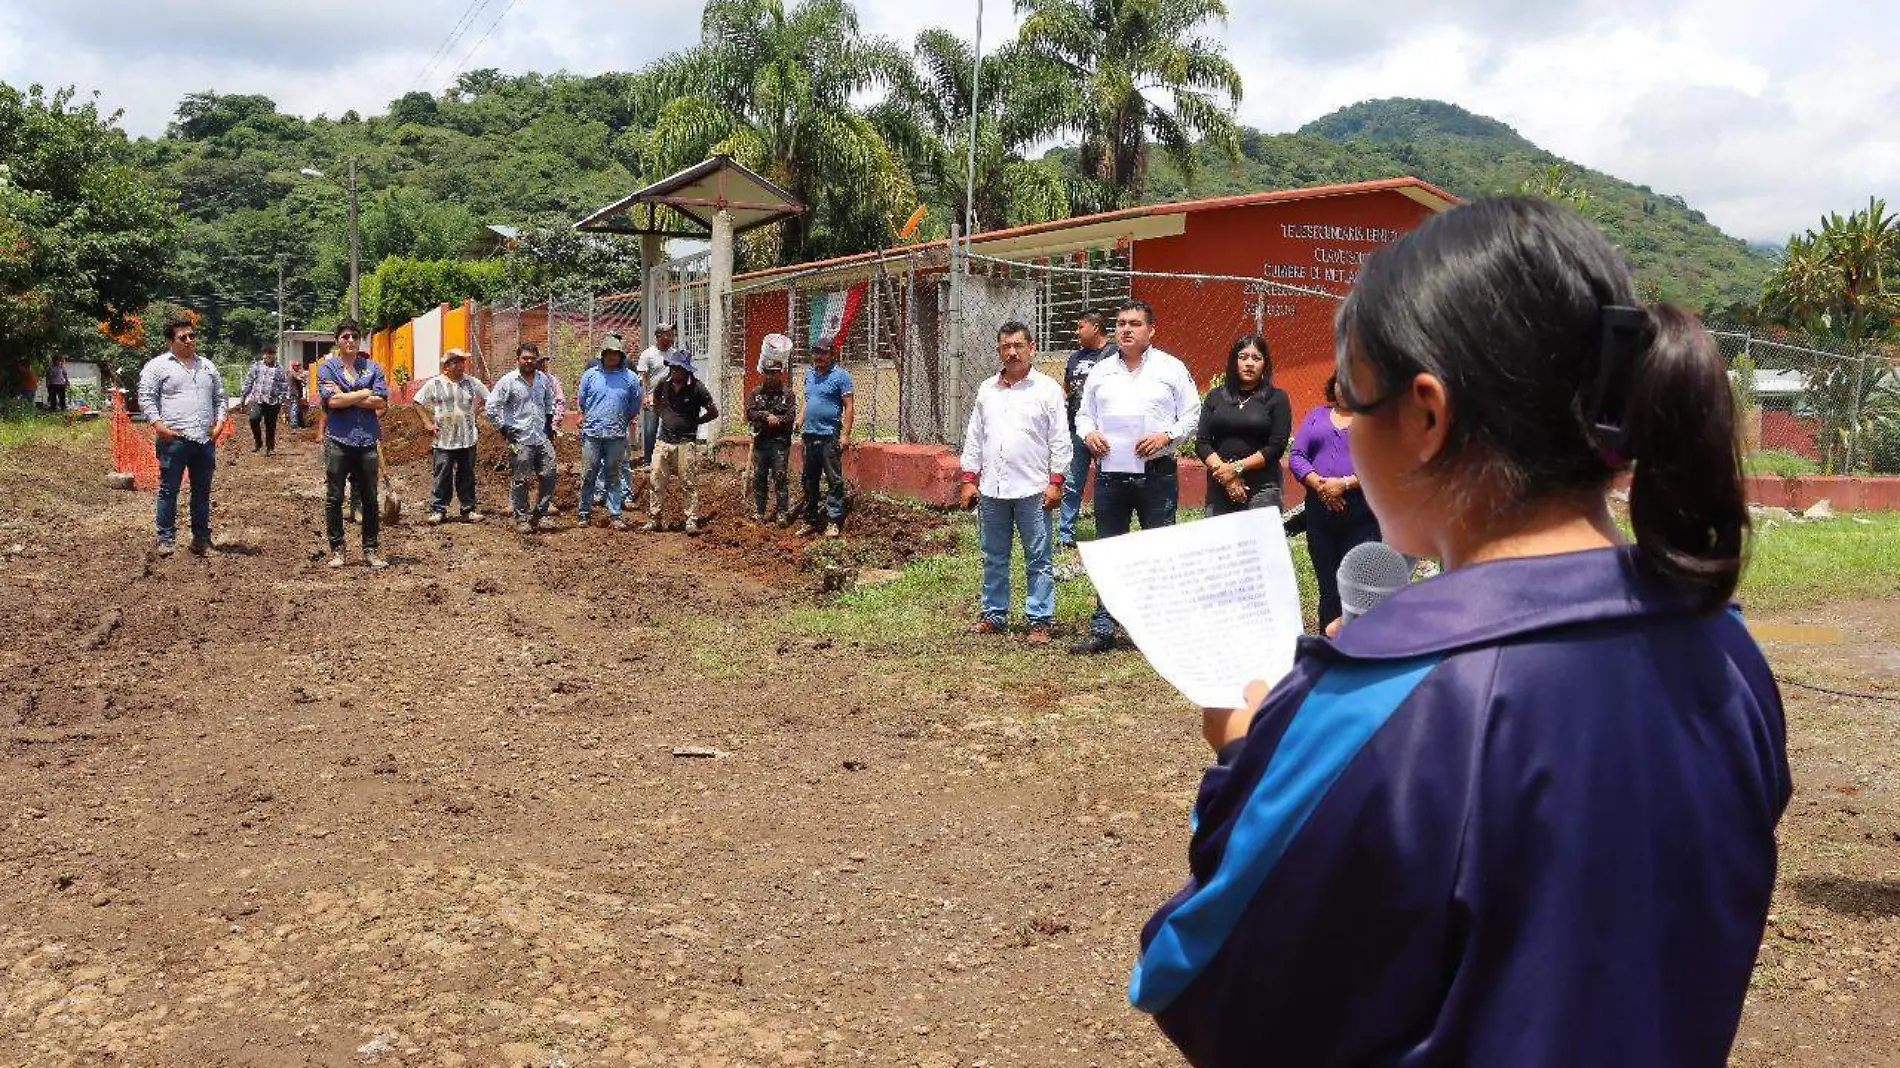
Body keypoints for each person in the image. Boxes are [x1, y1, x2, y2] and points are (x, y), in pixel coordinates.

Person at [1133, 196, 1786, 1068]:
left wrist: (1248, 767)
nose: (1348, 430)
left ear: (1428, 416)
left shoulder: (1375, 703)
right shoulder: (1729, 652)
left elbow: (1200, 978)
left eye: (1352, 402)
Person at [1069, 299, 1200, 654]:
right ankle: (1103, 627)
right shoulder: (1101, 371)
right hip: (1111, 476)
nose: (1126, 329)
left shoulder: (1171, 369)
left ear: (1151, 330)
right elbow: (1084, 416)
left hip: (1156, 476)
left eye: (1135, 324)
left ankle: (1159, 631)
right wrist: (1089, 435)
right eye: (1121, 323)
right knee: (1110, 553)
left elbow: (1192, 415)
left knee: (1159, 552)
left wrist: (1166, 437)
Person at [958, 321, 1070, 644]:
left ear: (1031, 348)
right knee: (993, 554)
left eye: (1018, 346)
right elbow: (975, 438)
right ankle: (993, 614)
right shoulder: (986, 390)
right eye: (1005, 347)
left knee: (1038, 556)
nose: (1012, 352)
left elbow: (1060, 440)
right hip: (993, 489)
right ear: (998, 351)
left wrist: (1056, 481)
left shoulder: (1047, 389)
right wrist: (969, 479)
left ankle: (1039, 619)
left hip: (1033, 489)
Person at [1289, 373, 1382, 628]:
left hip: (1362, 518)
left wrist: (1343, 484)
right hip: (1320, 518)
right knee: (1329, 588)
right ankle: (1327, 651)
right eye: (1341, 382)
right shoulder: (1316, 415)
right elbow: (1297, 455)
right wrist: (1320, 485)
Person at [137, 316, 228, 557]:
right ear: (170, 341)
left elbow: (220, 398)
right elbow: (146, 398)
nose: (189, 341)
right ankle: (165, 538)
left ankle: (201, 539)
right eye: (182, 337)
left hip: (203, 440)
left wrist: (219, 423)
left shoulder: (208, 366)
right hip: (173, 439)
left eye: (192, 336)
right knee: (169, 489)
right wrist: (159, 426)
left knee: (202, 491)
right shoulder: (158, 367)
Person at [316, 319, 390, 570]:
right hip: (338, 440)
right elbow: (332, 402)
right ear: (337, 339)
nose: (350, 341)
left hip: (367, 440)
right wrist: (363, 393)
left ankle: (370, 550)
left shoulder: (372, 368)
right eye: (345, 336)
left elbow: (381, 402)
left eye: (354, 337)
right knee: (334, 497)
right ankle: (338, 550)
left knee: (370, 498)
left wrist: (347, 396)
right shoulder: (327, 368)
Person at [1195, 334, 1292, 517]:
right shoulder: (1215, 396)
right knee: (1220, 544)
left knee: (1261, 545)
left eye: (1256, 358)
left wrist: (1236, 468)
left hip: (1262, 488)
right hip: (1220, 483)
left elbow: (1277, 446)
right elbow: (1202, 442)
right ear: (1234, 361)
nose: (1249, 363)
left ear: (1265, 364)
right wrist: (1227, 476)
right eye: (1243, 357)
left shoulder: (1276, 398)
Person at [487, 341, 561, 534]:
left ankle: (539, 513)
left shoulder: (543, 379)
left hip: (541, 437)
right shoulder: (508, 381)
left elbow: (549, 401)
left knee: (549, 474)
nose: (529, 361)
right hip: (519, 439)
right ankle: (521, 518)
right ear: (517, 359)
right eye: (525, 358)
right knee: (520, 479)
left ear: (536, 359)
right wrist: (503, 427)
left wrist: (549, 423)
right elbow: (491, 406)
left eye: (532, 358)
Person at [411, 348, 490, 524]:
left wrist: (476, 412)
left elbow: (489, 398)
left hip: (467, 438)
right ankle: (438, 509)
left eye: (462, 361)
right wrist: (427, 423)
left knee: (467, 474)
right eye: (456, 362)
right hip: (443, 439)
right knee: (442, 474)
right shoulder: (435, 384)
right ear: (446, 367)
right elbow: (417, 402)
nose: (461, 365)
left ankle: (468, 509)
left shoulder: (472, 382)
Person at [1057, 311, 1114, 547]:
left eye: (1081, 327)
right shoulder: (1074, 358)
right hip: (1076, 430)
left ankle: (1107, 534)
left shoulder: (1113, 355)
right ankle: (1065, 536)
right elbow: (1067, 388)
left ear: (1096, 328)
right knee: (1072, 483)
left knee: (1106, 483)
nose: (1076, 332)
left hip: (1105, 431)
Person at [644, 350, 718, 534]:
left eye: (678, 368)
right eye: (673, 367)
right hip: (663, 441)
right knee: (656, 480)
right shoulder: (663, 384)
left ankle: (690, 519)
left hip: (686, 443)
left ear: (686, 371)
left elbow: (713, 411)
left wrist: (697, 422)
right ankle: (655, 518)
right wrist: (663, 414)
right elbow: (655, 400)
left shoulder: (697, 388)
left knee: (688, 482)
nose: (675, 371)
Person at [576, 334, 643, 531]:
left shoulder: (629, 378)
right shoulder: (590, 375)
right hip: (592, 434)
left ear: (621, 356)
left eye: (617, 354)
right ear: (603, 355)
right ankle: (584, 513)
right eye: (609, 353)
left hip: (616, 435)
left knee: (613, 474)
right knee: (588, 474)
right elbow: (582, 401)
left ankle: (615, 514)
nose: (613, 357)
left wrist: (622, 420)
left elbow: (634, 404)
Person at [799, 337, 855, 538]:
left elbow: (848, 406)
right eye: (816, 352)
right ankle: (810, 519)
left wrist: (845, 435)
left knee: (833, 479)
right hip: (809, 434)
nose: (819, 357)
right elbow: (808, 400)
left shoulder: (841, 376)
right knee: (808, 479)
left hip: (829, 435)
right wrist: (800, 419)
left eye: (823, 353)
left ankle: (833, 521)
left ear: (832, 354)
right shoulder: (809, 375)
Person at [745, 349, 799, 524]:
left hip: (779, 443)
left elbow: (791, 417)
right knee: (759, 477)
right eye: (767, 373)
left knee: (780, 476)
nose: (770, 377)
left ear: (780, 373)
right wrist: (766, 416)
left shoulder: (788, 394)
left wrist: (778, 420)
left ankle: (782, 512)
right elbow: (750, 413)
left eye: (774, 373)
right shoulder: (756, 393)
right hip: (761, 442)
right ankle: (759, 512)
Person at [635, 321, 679, 466]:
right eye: (668, 335)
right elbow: (643, 378)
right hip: (652, 398)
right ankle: (648, 461)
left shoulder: (675, 354)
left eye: (672, 335)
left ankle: (668, 463)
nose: (672, 338)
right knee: (650, 431)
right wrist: (644, 397)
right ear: (659, 336)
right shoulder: (648, 354)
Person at [240, 344, 291, 455]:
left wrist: (282, 401)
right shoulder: (256, 366)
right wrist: (243, 396)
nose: (267, 356)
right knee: (253, 419)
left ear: (274, 355)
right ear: (263, 355)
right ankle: (258, 442)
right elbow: (249, 381)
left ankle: (269, 447)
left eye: (270, 354)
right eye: (265, 354)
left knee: (270, 425)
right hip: (257, 399)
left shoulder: (279, 369)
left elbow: (284, 385)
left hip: (273, 402)